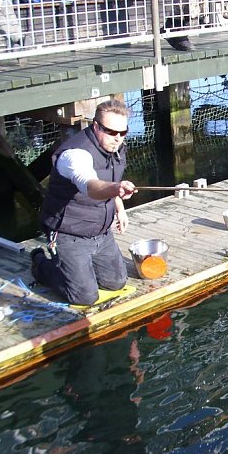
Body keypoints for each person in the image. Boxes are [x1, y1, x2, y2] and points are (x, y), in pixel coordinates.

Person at [32, 99, 137, 306]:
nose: (118, 139)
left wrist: (119, 207)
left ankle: (79, 269)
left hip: (100, 231)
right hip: (68, 232)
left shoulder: (116, 148)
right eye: (111, 132)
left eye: (123, 133)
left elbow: (112, 181)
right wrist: (115, 189)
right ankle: (41, 265)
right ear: (96, 126)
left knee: (116, 282)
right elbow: (90, 186)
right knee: (85, 297)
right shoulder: (75, 155)